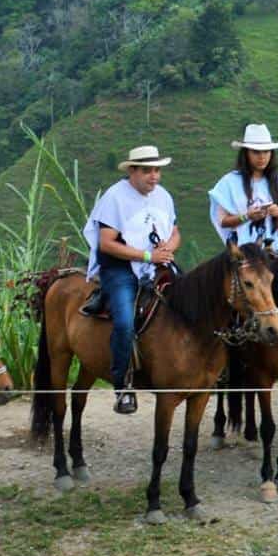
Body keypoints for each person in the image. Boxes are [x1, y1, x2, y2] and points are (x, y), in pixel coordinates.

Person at [83, 144, 182, 415]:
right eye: (148, 171)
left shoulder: (163, 196)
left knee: (193, 301)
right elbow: (106, 243)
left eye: (157, 170)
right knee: (125, 321)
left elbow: (175, 232)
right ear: (133, 172)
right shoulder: (115, 198)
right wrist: (147, 256)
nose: (155, 176)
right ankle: (122, 384)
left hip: (158, 262)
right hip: (121, 269)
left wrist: (168, 249)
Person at [208, 123, 278, 254]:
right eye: (256, 152)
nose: (262, 157)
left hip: (275, 248)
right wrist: (247, 216)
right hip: (243, 250)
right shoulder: (229, 182)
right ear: (246, 154)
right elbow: (223, 221)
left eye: (266, 152)